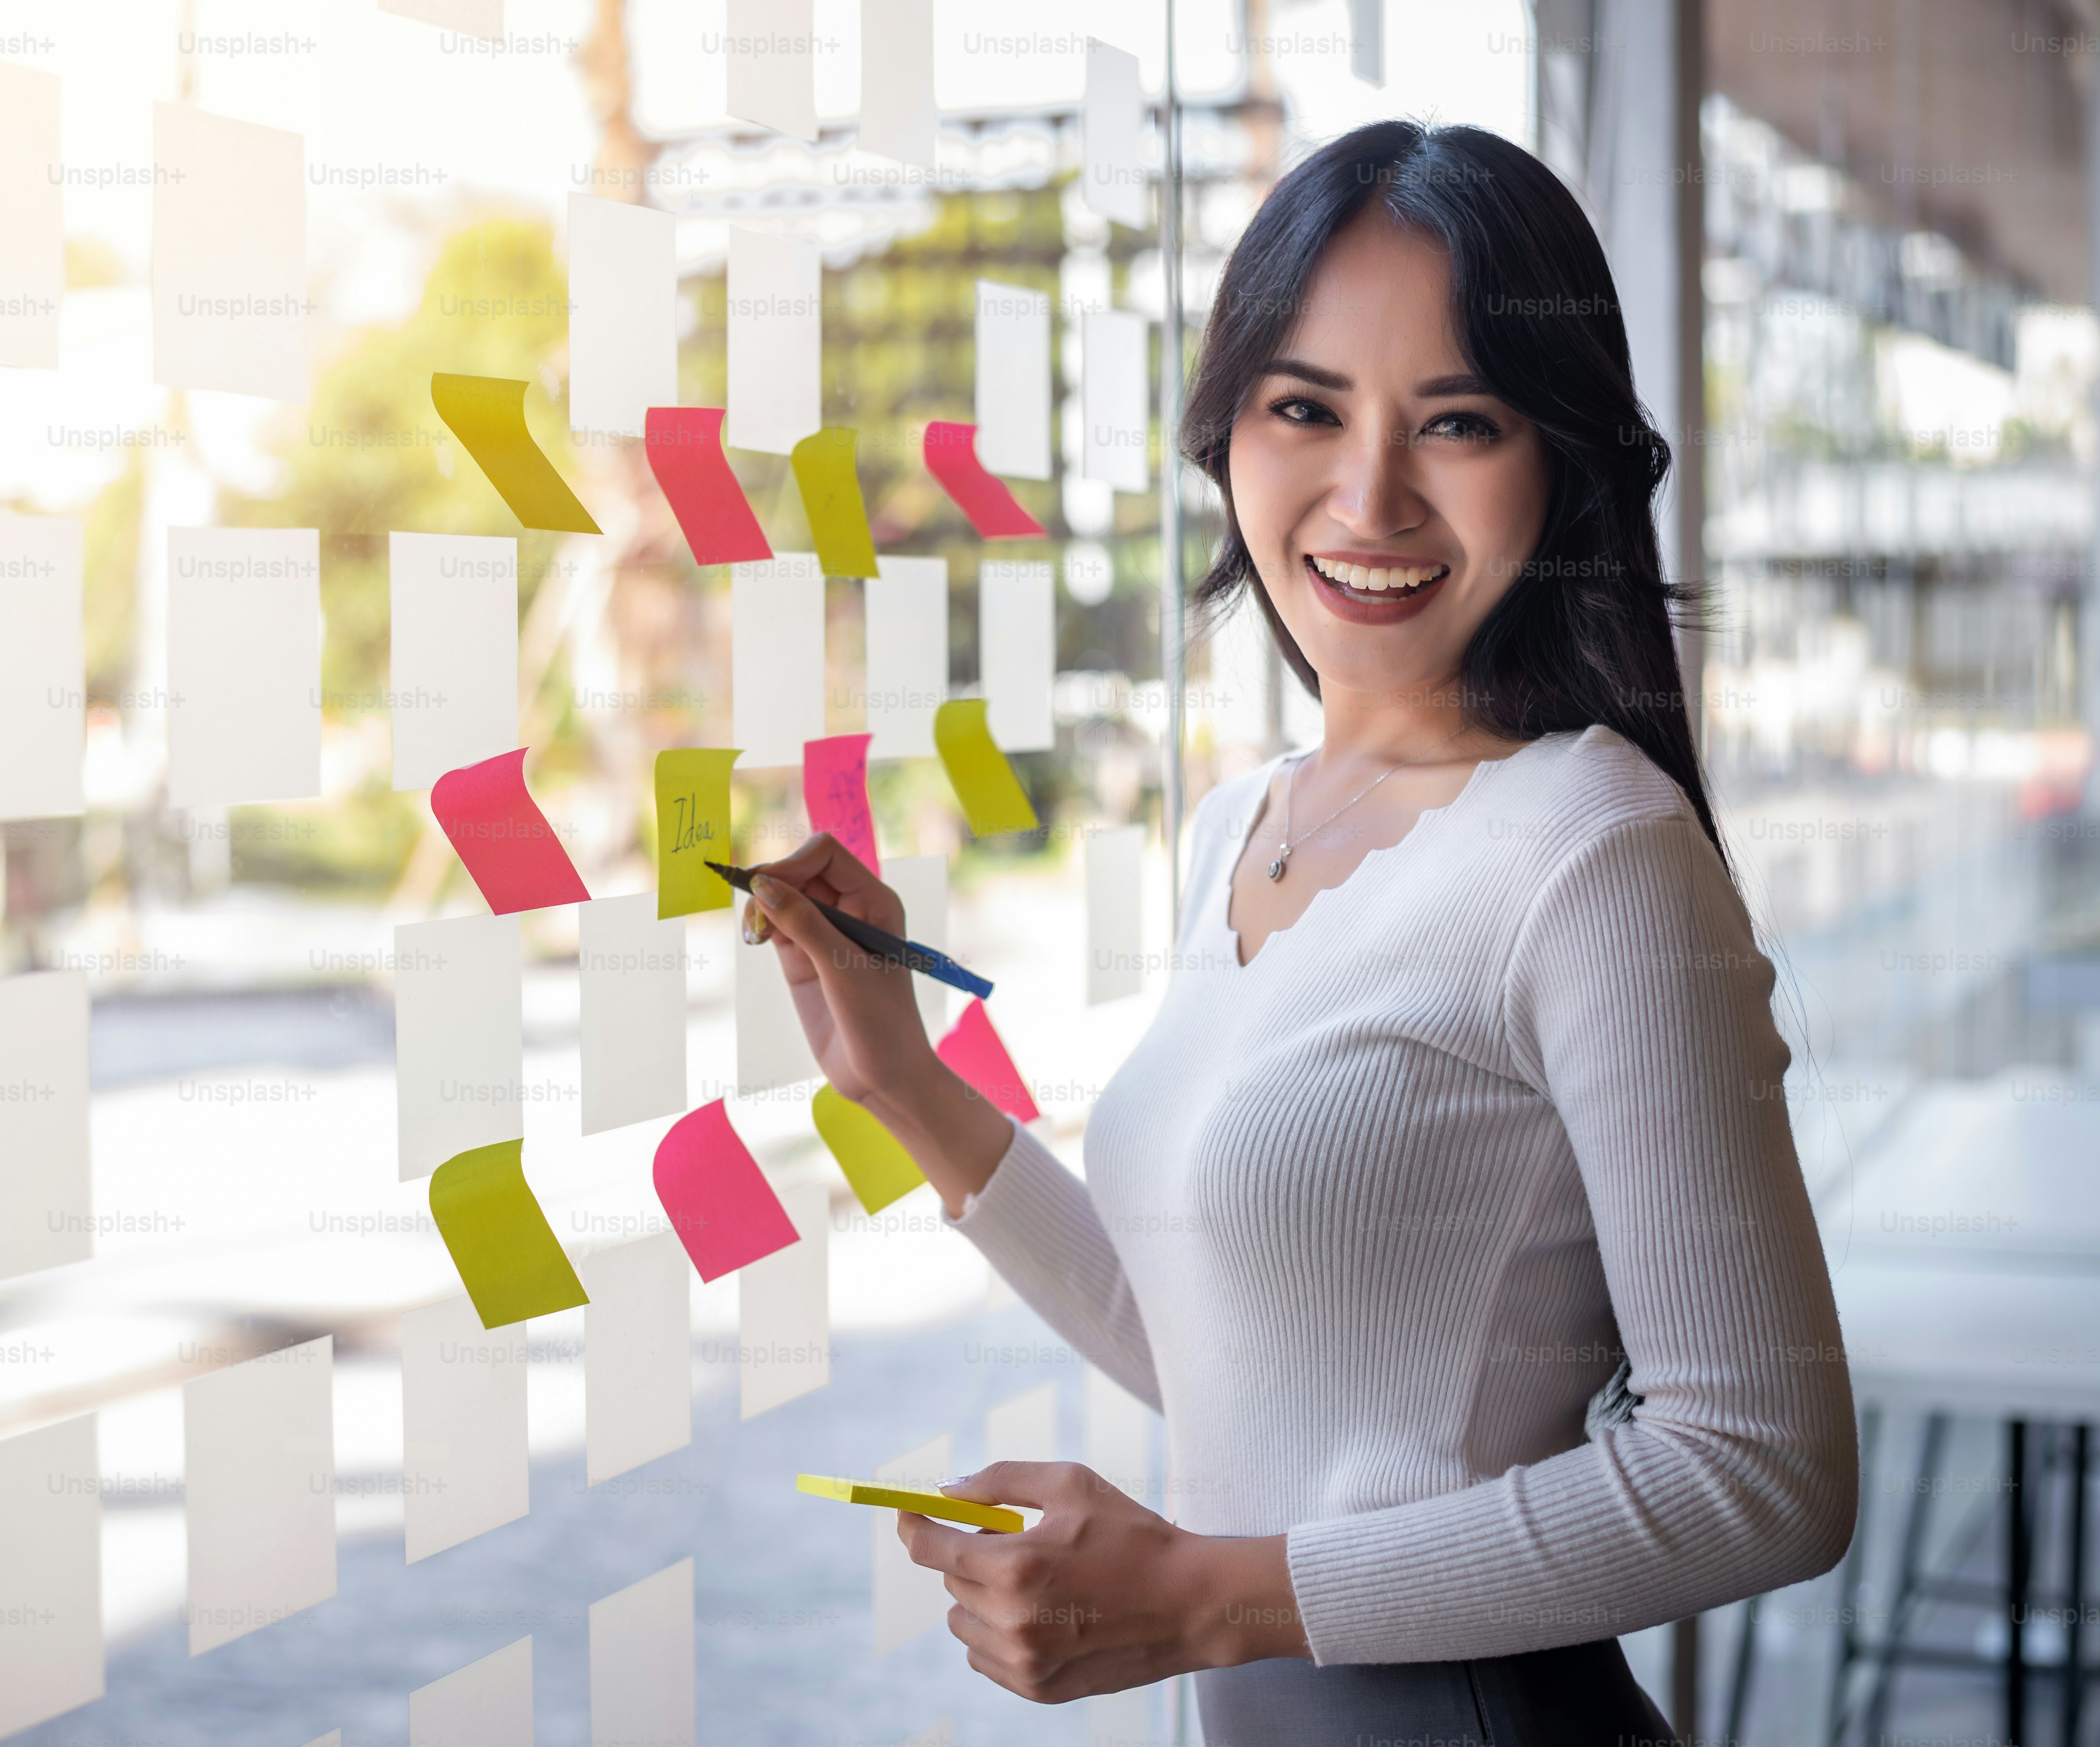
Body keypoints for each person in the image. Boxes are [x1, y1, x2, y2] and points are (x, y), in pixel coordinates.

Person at [743, 119, 1856, 1745]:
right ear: (1229, 440)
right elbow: (1245, 1367)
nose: (1370, 494)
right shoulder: (1241, 825)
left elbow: (1764, 1472)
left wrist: (1205, 1597)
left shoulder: (1593, 851)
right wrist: (903, 1083)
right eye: (1305, 410)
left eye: (1457, 422)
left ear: (1558, 460)